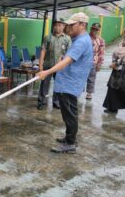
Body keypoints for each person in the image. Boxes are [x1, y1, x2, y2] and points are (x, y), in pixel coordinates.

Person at [37, 13, 93, 154]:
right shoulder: (80, 39)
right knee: (68, 113)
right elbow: (68, 58)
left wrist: (47, 72)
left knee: (69, 114)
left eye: (72, 25)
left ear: (83, 24)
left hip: (70, 84)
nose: (69, 27)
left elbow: (67, 61)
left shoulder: (81, 41)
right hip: (69, 82)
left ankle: (70, 143)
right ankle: (69, 137)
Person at [37, 18, 71, 110]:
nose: (58, 27)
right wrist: (40, 66)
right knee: (44, 84)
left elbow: (69, 53)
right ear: (53, 26)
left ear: (63, 26)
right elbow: (43, 51)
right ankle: (41, 102)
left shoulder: (67, 39)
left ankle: (56, 102)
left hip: (60, 67)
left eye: (60, 25)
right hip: (48, 65)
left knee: (58, 85)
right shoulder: (48, 37)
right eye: (56, 25)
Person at [86, 23, 105, 100]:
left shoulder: (100, 40)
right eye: (93, 29)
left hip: (93, 61)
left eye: (96, 29)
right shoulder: (85, 38)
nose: (94, 30)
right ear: (90, 28)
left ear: (99, 30)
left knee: (91, 78)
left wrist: (99, 64)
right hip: (83, 61)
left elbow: (101, 52)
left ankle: (89, 93)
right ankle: (79, 91)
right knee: (81, 77)